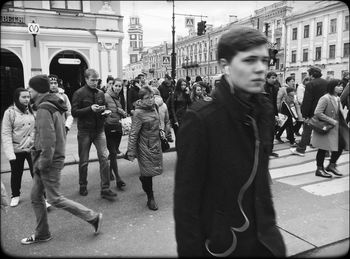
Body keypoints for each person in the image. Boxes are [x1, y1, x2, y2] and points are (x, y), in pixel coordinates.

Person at [174, 26, 286, 257]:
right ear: (225, 66)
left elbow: (261, 185)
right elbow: (186, 204)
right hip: (224, 246)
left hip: (266, 243)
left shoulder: (263, 110)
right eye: (250, 60)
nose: (260, 69)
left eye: (265, 61)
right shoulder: (201, 120)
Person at [21, 74, 102, 245]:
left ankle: (93, 216)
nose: (28, 91)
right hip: (47, 158)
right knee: (36, 197)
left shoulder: (44, 109)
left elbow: (48, 142)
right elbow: (49, 136)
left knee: (54, 198)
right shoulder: (52, 104)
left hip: (47, 161)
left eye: (30, 88)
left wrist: (41, 164)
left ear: (38, 90)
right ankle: (42, 233)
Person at [71, 68, 117, 200]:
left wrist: (105, 111)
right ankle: (82, 185)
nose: (95, 82)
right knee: (84, 161)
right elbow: (74, 112)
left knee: (104, 158)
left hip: (99, 130)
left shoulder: (100, 93)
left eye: (97, 80)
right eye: (92, 80)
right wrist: (89, 109)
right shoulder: (78, 93)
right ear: (86, 79)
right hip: (84, 131)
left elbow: (104, 108)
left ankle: (105, 188)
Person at [126, 86, 163, 211]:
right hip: (144, 146)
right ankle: (150, 198)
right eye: (147, 98)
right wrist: (131, 151)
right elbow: (133, 133)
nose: (151, 100)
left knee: (151, 172)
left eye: (152, 97)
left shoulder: (155, 107)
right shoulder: (138, 113)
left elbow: (159, 122)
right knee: (148, 173)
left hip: (155, 143)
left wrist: (162, 131)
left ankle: (143, 179)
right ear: (141, 99)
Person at [1, 88, 35, 207]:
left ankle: (42, 195)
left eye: (28, 97)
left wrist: (35, 141)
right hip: (17, 149)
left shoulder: (31, 110)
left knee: (36, 173)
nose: (27, 99)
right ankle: (15, 195)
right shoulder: (9, 112)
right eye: (23, 97)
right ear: (17, 98)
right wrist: (10, 154)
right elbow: (6, 134)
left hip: (31, 148)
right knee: (16, 173)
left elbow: (36, 128)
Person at [311, 79, 349, 178]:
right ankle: (319, 169)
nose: (341, 87)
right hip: (326, 127)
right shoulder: (325, 98)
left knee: (342, 145)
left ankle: (331, 165)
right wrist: (331, 121)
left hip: (336, 128)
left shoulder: (337, 98)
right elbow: (317, 112)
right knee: (323, 149)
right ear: (332, 87)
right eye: (338, 85)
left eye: (341, 86)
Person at [290, 66, 328, 156]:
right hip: (324, 111)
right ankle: (326, 152)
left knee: (307, 131)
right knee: (323, 131)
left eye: (309, 74)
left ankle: (300, 149)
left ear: (311, 75)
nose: (309, 76)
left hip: (313, 112)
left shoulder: (311, 84)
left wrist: (304, 115)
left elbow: (308, 100)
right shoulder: (326, 83)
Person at [104, 77, 127, 189]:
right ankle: (118, 178)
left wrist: (122, 112)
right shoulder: (106, 96)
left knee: (113, 152)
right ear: (112, 85)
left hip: (117, 127)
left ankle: (109, 171)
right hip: (108, 127)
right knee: (113, 152)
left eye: (120, 86)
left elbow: (120, 110)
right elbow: (103, 109)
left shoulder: (120, 97)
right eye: (116, 85)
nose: (118, 88)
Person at [263, 71, 280, 157]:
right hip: (264, 114)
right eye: (272, 78)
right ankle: (265, 150)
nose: (274, 79)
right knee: (265, 133)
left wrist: (276, 114)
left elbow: (274, 102)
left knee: (271, 132)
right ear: (267, 78)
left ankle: (270, 150)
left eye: (275, 78)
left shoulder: (274, 88)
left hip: (272, 113)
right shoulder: (263, 87)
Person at [275, 76, 296, 143]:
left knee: (286, 123)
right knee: (289, 123)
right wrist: (278, 108)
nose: (293, 82)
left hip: (290, 107)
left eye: (293, 81)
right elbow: (278, 98)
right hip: (285, 107)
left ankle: (279, 136)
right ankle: (292, 140)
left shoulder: (291, 88)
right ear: (287, 81)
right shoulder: (283, 88)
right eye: (292, 81)